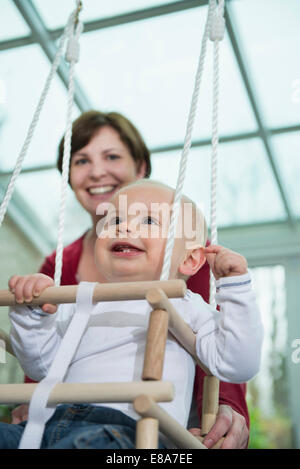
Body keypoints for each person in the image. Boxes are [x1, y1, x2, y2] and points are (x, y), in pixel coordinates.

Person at [13, 110, 250, 448]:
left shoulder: (185, 254)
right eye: (81, 161)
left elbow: (221, 336)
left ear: (141, 168)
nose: (96, 171)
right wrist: (33, 400)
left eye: (112, 156)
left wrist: (228, 405)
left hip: (150, 428)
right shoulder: (57, 265)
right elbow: (41, 358)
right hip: (61, 417)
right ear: (69, 178)